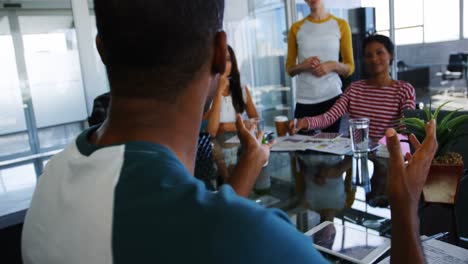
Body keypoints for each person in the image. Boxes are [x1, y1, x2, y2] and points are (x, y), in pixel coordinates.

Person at [21, 1, 437, 264]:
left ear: (101, 47)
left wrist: (244, 172)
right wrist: (404, 205)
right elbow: (212, 230)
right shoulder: (260, 241)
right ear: (222, 54)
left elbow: (188, 231)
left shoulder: (50, 181)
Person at [291, 34, 416, 141]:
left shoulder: (404, 90)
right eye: (368, 55)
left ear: (391, 55)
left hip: (388, 157)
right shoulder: (354, 89)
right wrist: (304, 122)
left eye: (379, 53)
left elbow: (406, 130)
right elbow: (329, 117)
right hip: (357, 155)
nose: (374, 59)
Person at [286, 0, 355, 133]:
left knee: (331, 149)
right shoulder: (296, 28)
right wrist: (303, 65)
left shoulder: (341, 25)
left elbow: (350, 68)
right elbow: (290, 69)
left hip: (332, 99)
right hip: (304, 100)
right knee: (301, 150)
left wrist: (332, 65)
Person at [204, 45, 259, 137]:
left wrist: (225, 126)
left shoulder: (241, 88)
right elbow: (211, 132)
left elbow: (257, 122)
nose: (224, 64)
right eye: (220, 60)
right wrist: (218, 91)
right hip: (214, 149)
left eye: (228, 59)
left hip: (238, 145)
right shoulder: (206, 93)